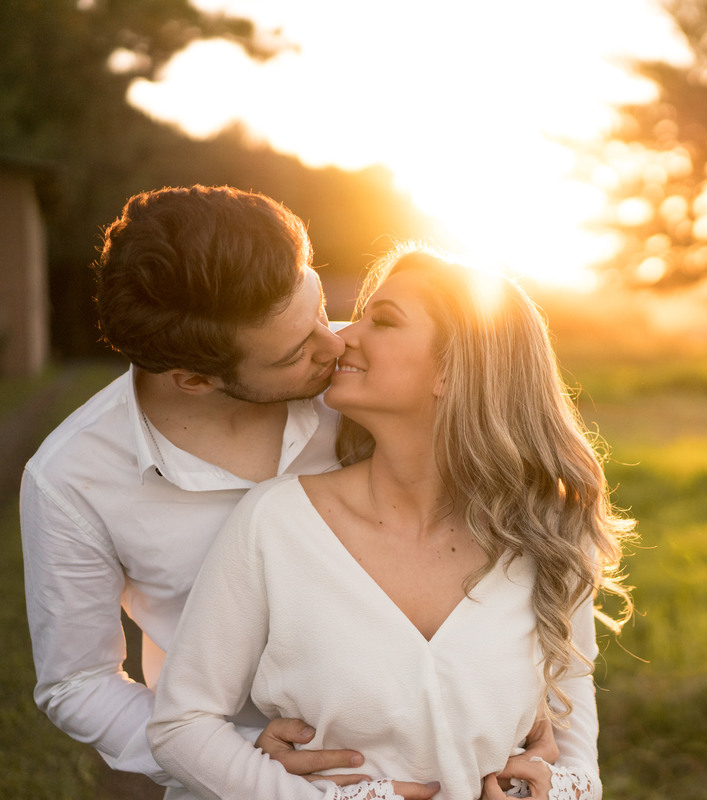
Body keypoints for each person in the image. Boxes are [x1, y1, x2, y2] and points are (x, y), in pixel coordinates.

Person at [147, 244, 636, 799]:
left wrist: (561, 790)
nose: (342, 336)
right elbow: (181, 725)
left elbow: (571, 708)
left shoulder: (548, 529)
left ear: (454, 370)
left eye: (383, 321)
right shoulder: (276, 523)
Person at [19, 185, 428, 796]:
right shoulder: (71, 479)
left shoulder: (369, 379)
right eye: (296, 352)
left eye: (318, 306)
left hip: (429, 745)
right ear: (194, 380)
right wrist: (232, 756)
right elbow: (77, 683)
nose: (334, 343)